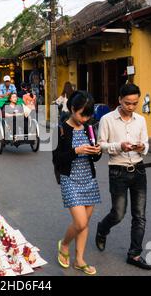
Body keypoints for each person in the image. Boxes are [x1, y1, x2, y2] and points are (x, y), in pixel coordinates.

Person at [95, 83, 151, 270]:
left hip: (139, 169)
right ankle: (102, 229)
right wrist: (119, 146)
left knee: (140, 215)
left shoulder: (141, 120)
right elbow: (100, 145)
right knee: (118, 214)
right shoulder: (107, 119)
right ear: (120, 100)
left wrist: (142, 147)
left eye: (134, 103)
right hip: (117, 171)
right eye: (127, 103)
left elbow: (145, 143)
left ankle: (134, 254)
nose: (131, 106)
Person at [53, 91, 102, 275]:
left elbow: (95, 158)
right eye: (82, 114)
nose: (86, 118)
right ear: (72, 109)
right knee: (80, 222)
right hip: (70, 179)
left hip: (88, 178)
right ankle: (64, 244)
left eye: (89, 115)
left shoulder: (89, 128)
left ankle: (79, 260)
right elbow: (57, 159)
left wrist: (96, 151)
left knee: (85, 223)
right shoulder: (61, 130)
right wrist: (77, 150)